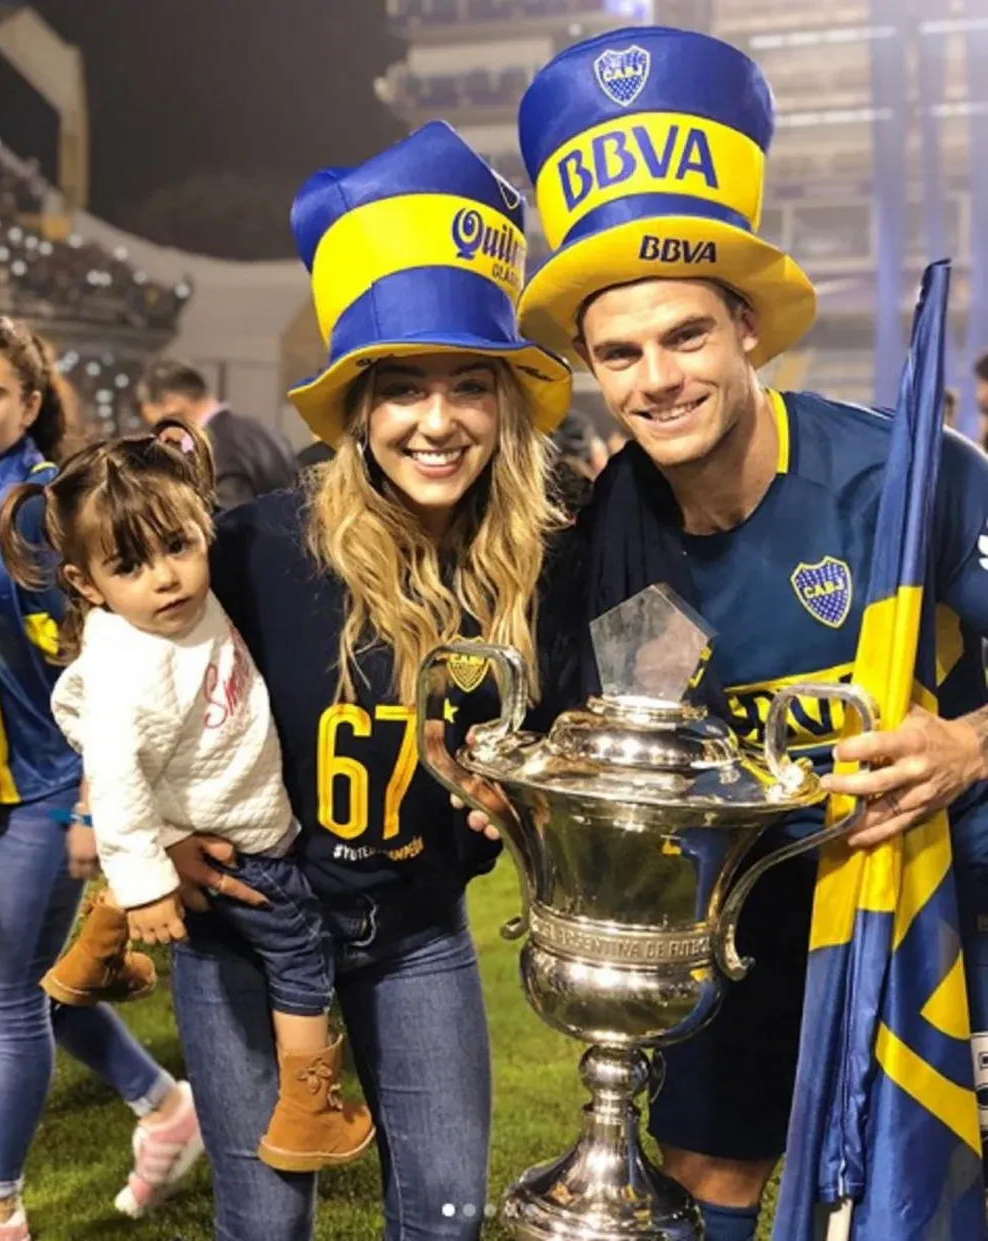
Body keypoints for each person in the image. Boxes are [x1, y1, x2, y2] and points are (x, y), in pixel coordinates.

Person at [496, 27, 988, 1241]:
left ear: (748, 333)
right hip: (736, 911)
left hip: (934, 903)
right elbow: (591, 724)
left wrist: (966, 749)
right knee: (706, 1183)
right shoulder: (606, 522)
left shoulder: (907, 478)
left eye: (686, 336)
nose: (655, 376)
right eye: (620, 352)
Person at [160, 120, 573, 1240]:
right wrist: (147, 839)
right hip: (248, 934)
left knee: (442, 1212)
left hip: (418, 930)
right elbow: (121, 681)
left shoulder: (538, 559)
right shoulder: (247, 546)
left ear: (506, 402)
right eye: (400, 388)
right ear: (354, 409)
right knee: (263, 1217)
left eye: (466, 386)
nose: (436, 421)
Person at [0, 419, 375, 1175]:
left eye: (178, 545)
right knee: (302, 948)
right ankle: (310, 1109)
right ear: (85, 583)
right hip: (236, 845)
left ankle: (96, 952)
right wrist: (144, 887)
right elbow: (120, 781)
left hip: (213, 811)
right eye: (130, 564)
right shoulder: (131, 666)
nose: (165, 576)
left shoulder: (173, 612)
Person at [0, 316, 202, 1241]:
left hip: (49, 781)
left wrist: (93, 804)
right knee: (40, 985)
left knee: (8, 1000)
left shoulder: (43, 502)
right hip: (0, 779)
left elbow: (108, 645)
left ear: (30, 405)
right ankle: (164, 1105)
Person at [136, 359, 297, 507]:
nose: (162, 438)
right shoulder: (264, 431)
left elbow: (230, 520)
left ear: (171, 403)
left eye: (159, 425)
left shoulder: (211, 445)